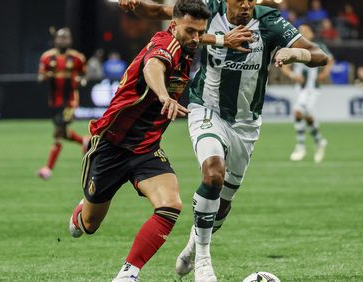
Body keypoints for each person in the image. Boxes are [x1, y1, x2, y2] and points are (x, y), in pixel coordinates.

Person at [119, 0, 328, 281]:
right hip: (206, 108)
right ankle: (204, 261)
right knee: (213, 173)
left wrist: (294, 53)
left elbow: (319, 56)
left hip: (246, 124)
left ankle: (194, 244)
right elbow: (158, 11)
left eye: (250, 0)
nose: (245, 5)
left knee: (224, 201)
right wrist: (135, 4)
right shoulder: (209, 10)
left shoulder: (269, 21)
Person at [67, 1, 210, 281]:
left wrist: (222, 40)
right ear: (174, 24)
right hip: (111, 145)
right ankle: (80, 213)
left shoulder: (188, 42)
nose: (196, 38)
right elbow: (152, 68)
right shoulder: (165, 44)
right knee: (90, 224)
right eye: (191, 31)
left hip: (146, 148)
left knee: (171, 205)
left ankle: (128, 274)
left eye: (200, 33)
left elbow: (162, 12)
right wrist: (164, 96)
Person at [37, 27, 90, 180]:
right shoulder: (47, 57)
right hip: (54, 101)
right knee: (62, 132)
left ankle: (48, 169)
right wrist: (46, 76)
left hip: (70, 101)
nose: (63, 40)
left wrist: (82, 80)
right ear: (55, 40)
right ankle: (84, 141)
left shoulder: (77, 58)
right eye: (60, 38)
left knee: (58, 133)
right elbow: (40, 78)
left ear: (70, 40)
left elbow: (84, 76)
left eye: (66, 38)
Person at [281, 24, 333, 163]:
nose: (302, 33)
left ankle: (301, 146)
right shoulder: (295, 46)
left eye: (305, 31)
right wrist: (292, 75)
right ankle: (319, 141)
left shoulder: (318, 46)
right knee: (307, 117)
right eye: (300, 31)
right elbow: (284, 65)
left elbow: (330, 60)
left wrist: (324, 75)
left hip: (312, 89)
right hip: (299, 89)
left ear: (311, 33)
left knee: (298, 112)